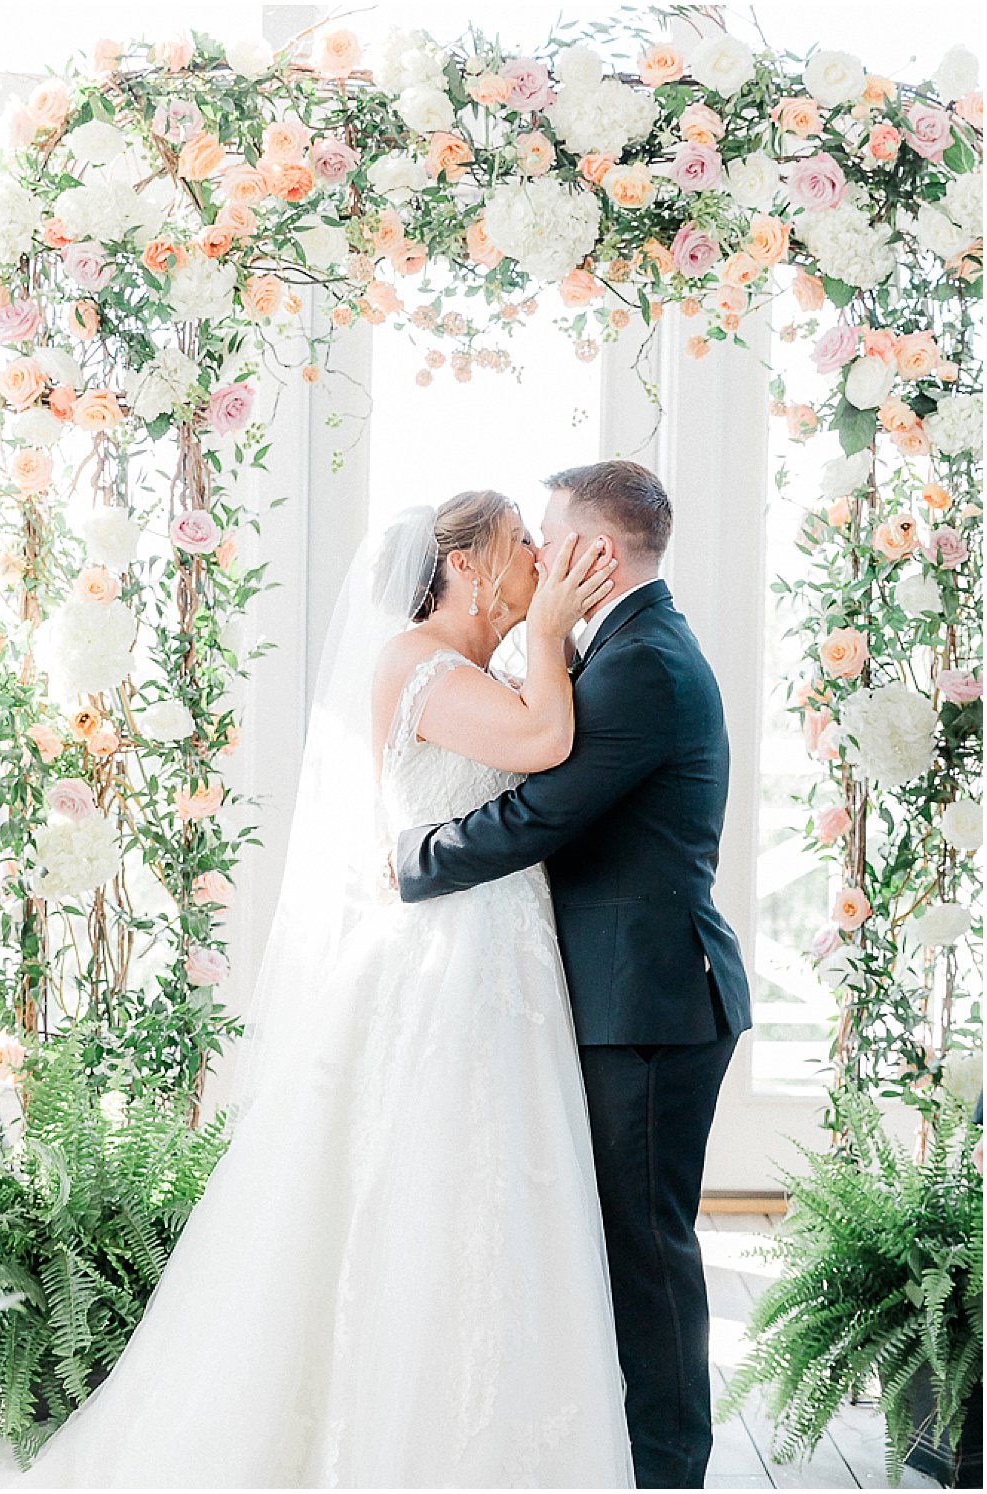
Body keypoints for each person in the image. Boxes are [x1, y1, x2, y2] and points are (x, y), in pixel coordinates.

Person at [0, 491, 635, 1489]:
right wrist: (554, 629)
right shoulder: (421, 665)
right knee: (430, 1191)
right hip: (448, 966)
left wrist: (542, 633)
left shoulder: (474, 667)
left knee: (501, 1199)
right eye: (521, 548)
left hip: (502, 960)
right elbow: (544, 744)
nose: (540, 567)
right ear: (466, 565)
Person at [397, 460, 754, 1489]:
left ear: (599, 552)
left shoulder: (643, 660)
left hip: (650, 1001)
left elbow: (543, 812)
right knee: (619, 1248)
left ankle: (667, 1474)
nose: (540, 556)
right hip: (624, 994)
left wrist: (410, 861)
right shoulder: (628, 645)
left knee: (646, 1258)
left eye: (552, 537)